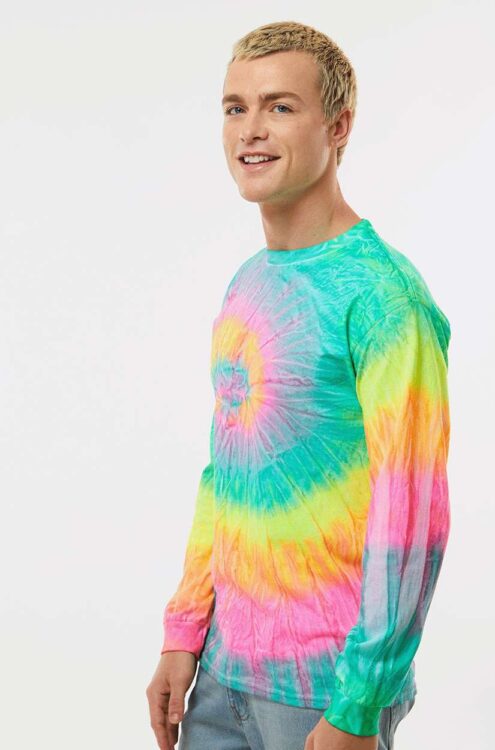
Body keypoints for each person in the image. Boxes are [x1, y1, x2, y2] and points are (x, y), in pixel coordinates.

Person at [146, 19, 452, 750]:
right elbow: (227, 474)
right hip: (219, 677)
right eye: (236, 107)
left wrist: (358, 704)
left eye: (280, 106)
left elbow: (412, 516)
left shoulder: (384, 298)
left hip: (326, 693)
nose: (251, 130)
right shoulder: (248, 284)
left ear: (338, 126)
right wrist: (184, 631)